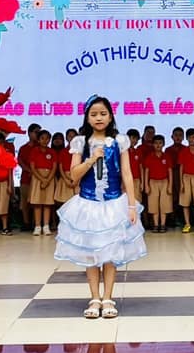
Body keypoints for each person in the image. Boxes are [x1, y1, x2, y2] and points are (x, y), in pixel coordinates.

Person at [54, 95, 147, 319]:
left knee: (110, 254)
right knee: (91, 252)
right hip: (87, 205)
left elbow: (127, 174)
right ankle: (94, 297)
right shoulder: (80, 142)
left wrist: (131, 205)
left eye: (103, 114)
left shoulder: (120, 141)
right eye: (94, 114)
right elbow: (73, 175)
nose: (99, 118)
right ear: (87, 117)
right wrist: (91, 159)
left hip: (114, 204)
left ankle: (108, 298)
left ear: (111, 116)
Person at [143, 134, 172, 232]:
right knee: (153, 204)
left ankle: (163, 224)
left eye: (160, 143)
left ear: (163, 144)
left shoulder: (166, 156)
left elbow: (170, 171)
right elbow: (146, 171)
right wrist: (146, 185)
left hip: (164, 182)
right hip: (152, 182)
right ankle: (156, 225)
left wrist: (170, 185)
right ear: (153, 144)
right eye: (156, 143)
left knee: (164, 204)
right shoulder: (149, 157)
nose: (158, 145)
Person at [30, 129, 56, 236]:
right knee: (37, 203)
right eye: (42, 138)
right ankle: (37, 226)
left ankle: (46, 226)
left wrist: (48, 180)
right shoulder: (34, 151)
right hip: (38, 178)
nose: (45, 141)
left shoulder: (52, 152)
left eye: (47, 138)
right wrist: (42, 179)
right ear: (38, 140)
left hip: (49, 178)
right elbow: (32, 167)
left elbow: (54, 167)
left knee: (47, 204)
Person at [18, 124, 41, 231]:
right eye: (36, 132)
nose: (38, 134)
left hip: (39, 178)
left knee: (37, 202)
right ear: (29, 133)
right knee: (25, 202)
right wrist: (29, 170)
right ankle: (26, 223)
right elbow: (20, 162)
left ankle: (36, 223)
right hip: (26, 178)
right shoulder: (23, 148)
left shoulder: (41, 148)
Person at [51, 132, 75, 228]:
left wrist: (75, 178)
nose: (72, 138)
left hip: (76, 179)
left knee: (75, 203)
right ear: (66, 138)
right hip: (64, 178)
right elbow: (60, 166)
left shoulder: (79, 151)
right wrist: (65, 178)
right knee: (63, 203)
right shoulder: (63, 151)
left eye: (74, 136)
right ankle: (61, 223)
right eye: (70, 136)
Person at [164, 127, 185, 220]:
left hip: (183, 175)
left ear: (183, 137)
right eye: (176, 135)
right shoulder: (168, 150)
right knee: (173, 197)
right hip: (172, 174)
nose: (178, 137)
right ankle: (172, 219)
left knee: (183, 197)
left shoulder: (185, 149)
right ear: (172, 137)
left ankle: (183, 219)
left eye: (180, 135)